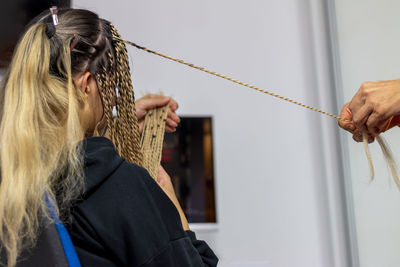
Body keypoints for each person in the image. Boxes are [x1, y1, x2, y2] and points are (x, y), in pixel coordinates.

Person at [0, 7, 218, 267]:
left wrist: (112, 129)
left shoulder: (15, 179)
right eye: (110, 87)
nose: (114, 99)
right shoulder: (124, 187)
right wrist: (171, 207)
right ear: (87, 85)